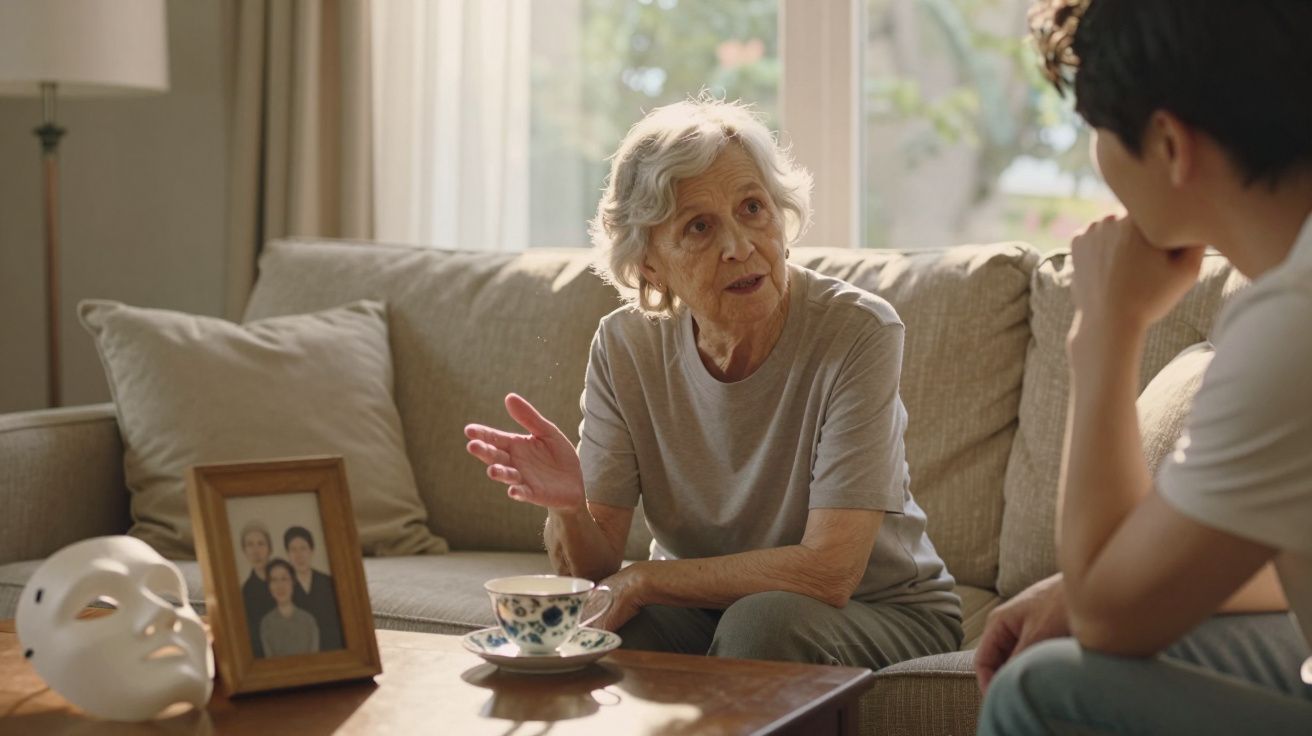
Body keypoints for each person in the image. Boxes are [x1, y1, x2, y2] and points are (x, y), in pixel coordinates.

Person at [464, 97, 962, 669]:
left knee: (761, 622)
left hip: (883, 609)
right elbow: (596, 583)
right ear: (649, 263)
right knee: (608, 635)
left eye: (753, 208)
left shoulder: (858, 331)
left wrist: (646, 578)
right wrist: (571, 509)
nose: (740, 246)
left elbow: (831, 571)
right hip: (704, 606)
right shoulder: (625, 346)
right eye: (699, 227)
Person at [976, 1, 1312, 733]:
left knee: (1039, 694)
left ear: (1168, 143)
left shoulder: (1293, 320)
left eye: (1097, 126)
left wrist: (1103, 329)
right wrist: (1086, 588)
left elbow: (1106, 616)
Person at [285, 526, 344, 652]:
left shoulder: (328, 582)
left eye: (303, 548)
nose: (299, 555)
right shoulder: (283, 588)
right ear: (288, 554)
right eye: (293, 550)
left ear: (311, 551)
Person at [259, 559, 319, 657]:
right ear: (269, 586)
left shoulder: (308, 620)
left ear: (293, 582)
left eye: (284, 579)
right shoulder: (266, 623)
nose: (280, 586)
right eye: (274, 580)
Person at [238, 521, 276, 658]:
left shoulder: (287, 579)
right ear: (244, 551)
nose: (256, 551)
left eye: (261, 544)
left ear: (269, 549)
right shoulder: (246, 592)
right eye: (250, 545)